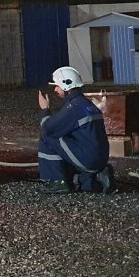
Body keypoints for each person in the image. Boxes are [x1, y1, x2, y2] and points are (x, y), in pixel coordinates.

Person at [36, 66, 115, 195]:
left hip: (89, 159)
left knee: (48, 137)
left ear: (66, 85)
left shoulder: (74, 107)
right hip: (98, 159)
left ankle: (57, 182)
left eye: (57, 86)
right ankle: (97, 177)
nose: (55, 89)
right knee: (62, 137)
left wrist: (45, 110)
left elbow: (49, 128)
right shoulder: (85, 104)